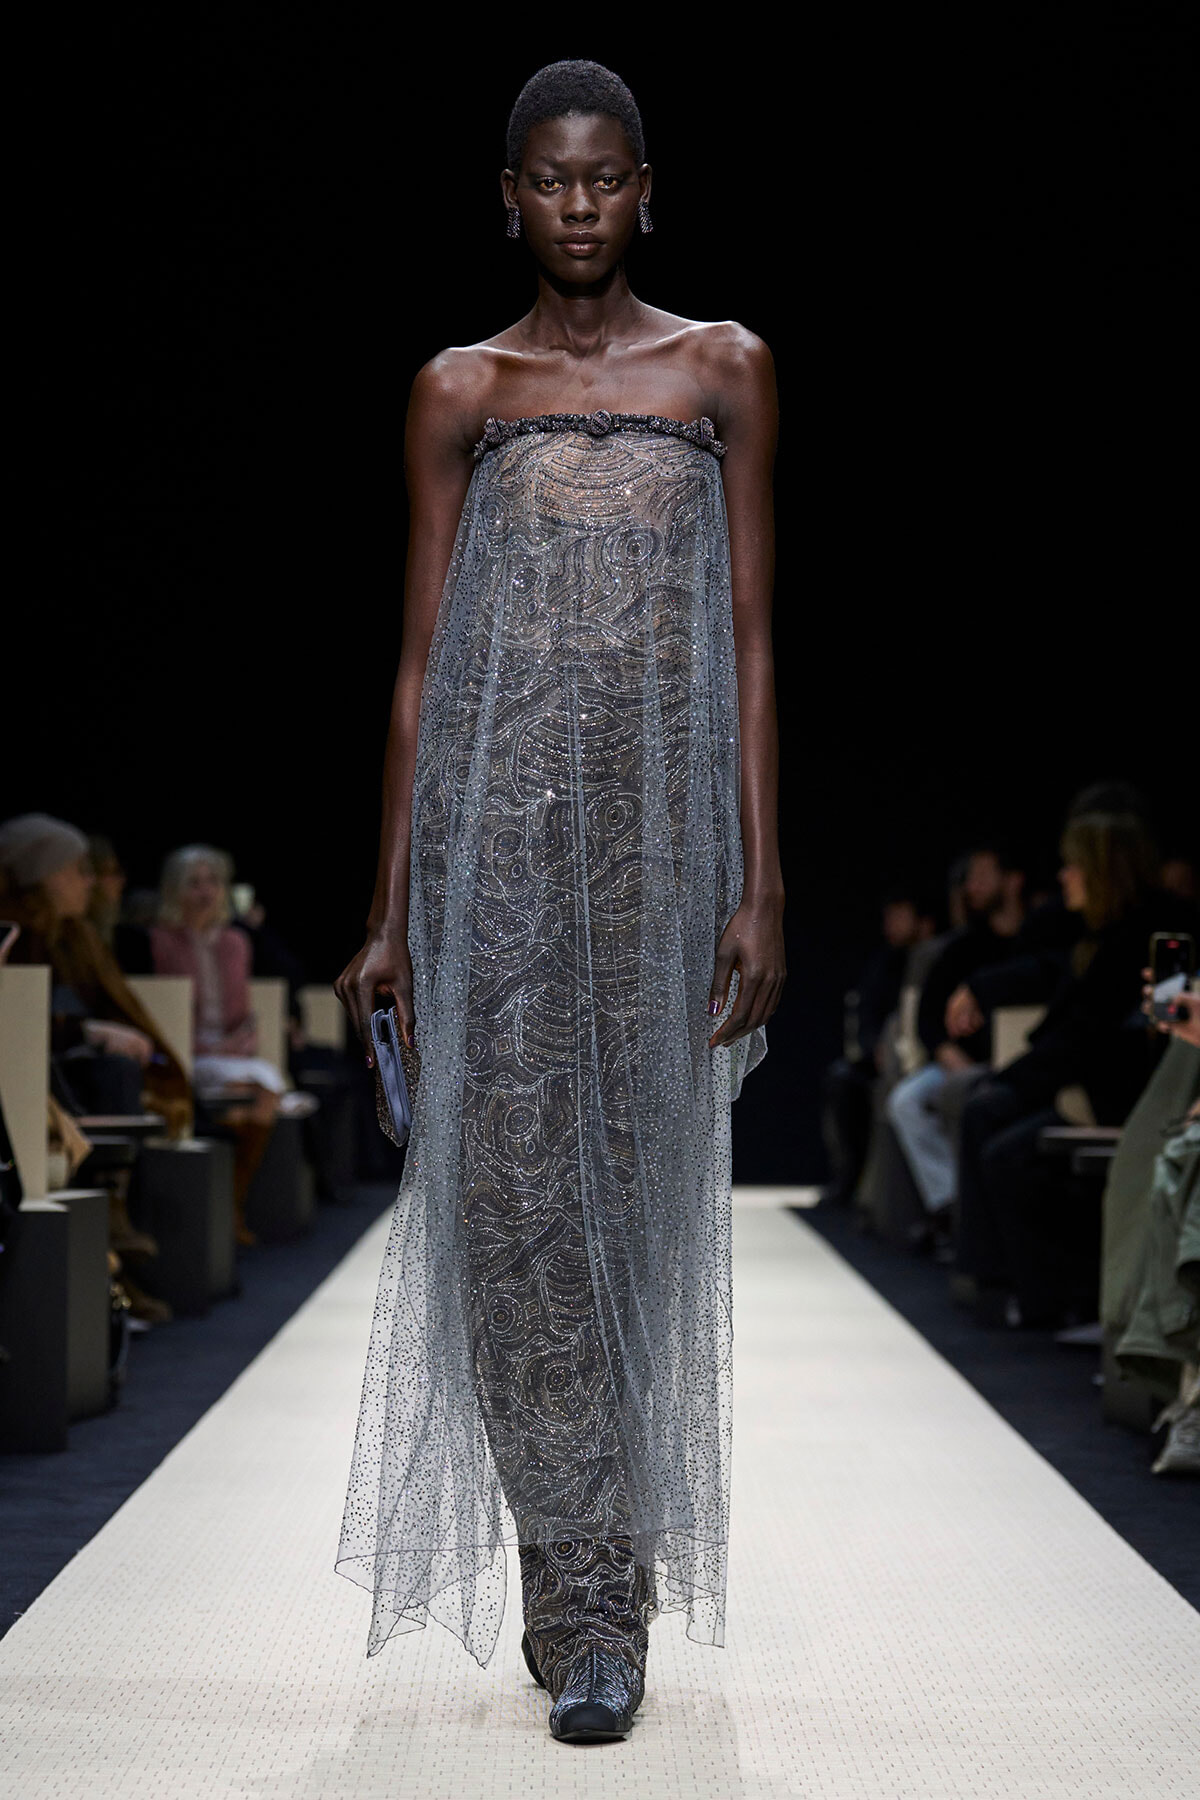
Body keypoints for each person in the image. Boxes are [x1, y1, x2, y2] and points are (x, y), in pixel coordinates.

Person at [332, 60, 784, 1744]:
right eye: (549, 179)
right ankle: (577, 1596)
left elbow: (749, 643)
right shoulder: (461, 389)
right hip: (493, 858)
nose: (579, 206)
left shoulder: (721, 370)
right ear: (507, 194)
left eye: (605, 179)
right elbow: (418, 667)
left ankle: (618, 1583)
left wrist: (767, 880)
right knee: (513, 1228)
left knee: (638, 1214)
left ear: (645, 188)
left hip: (663, 869)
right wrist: (390, 909)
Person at [953, 809, 1200, 1329]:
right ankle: (1013, 1286)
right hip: (1094, 1085)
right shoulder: (1097, 937)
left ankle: (1047, 1296)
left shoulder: (1134, 937)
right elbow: (1063, 997)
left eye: (1074, 866)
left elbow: (1095, 1042)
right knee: (988, 1116)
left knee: (1004, 1143)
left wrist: (1012, 1077)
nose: (1063, 877)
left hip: (1121, 1095)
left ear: (1102, 869)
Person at [149, 845, 289, 1247]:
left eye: (212, 882)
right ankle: (226, 1210)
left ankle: (231, 1204)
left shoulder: (235, 942)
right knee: (245, 1100)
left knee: (262, 1093)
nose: (205, 891)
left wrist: (238, 1041)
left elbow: (240, 1012)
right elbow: (165, 1012)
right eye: (194, 883)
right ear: (175, 889)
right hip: (184, 1050)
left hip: (226, 1050)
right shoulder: (159, 941)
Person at [885, 846, 1026, 1227]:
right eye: (970, 878)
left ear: (1013, 880)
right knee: (906, 1101)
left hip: (1024, 1064)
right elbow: (928, 1020)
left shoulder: (1038, 940)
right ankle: (951, 1208)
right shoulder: (962, 948)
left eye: (983, 876)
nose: (972, 887)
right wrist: (952, 1058)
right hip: (962, 1065)